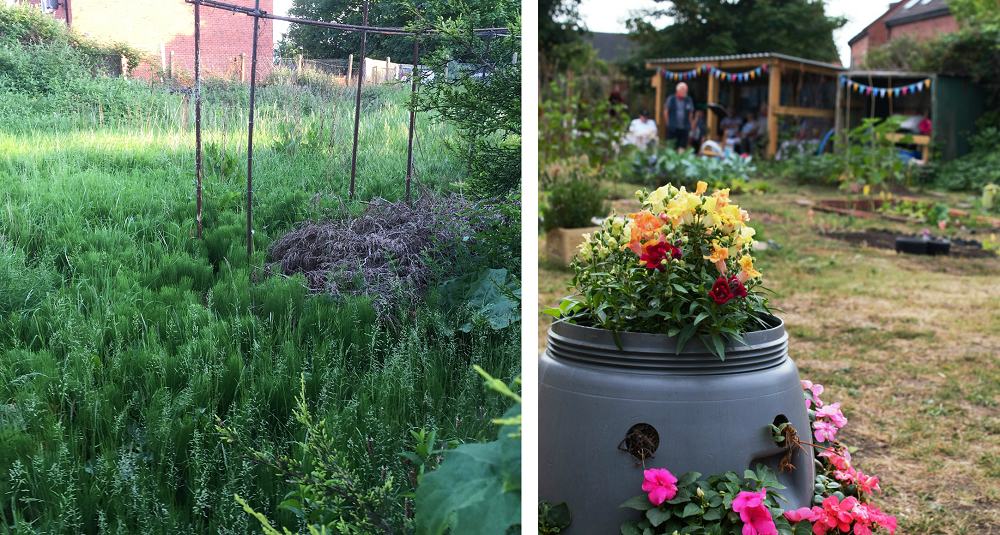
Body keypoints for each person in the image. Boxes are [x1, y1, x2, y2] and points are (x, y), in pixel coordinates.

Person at [663, 82, 695, 151]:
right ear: (679, 90)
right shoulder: (671, 99)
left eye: (686, 90)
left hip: (684, 127)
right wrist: (668, 123)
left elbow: (691, 113)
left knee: (682, 146)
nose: (686, 92)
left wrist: (691, 124)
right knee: (671, 146)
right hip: (673, 127)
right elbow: (666, 111)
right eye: (684, 90)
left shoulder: (688, 100)